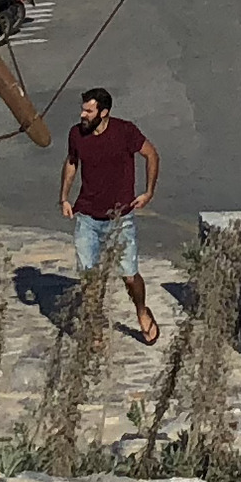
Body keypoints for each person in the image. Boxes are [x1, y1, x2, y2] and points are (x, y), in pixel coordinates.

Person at [61, 88, 160, 346]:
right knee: (90, 278)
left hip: (120, 217)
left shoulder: (125, 131)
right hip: (87, 216)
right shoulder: (76, 134)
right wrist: (64, 197)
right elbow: (72, 162)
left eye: (89, 111)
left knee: (129, 275)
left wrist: (148, 192)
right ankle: (94, 326)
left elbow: (151, 154)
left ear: (104, 113)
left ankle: (140, 310)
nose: (83, 115)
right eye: (83, 109)